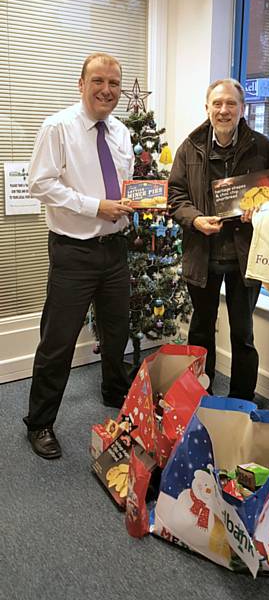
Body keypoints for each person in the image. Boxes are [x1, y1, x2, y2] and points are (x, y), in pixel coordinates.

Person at [24, 52, 135, 459]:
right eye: (98, 81)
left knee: (116, 331)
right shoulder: (57, 127)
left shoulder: (121, 132)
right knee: (58, 341)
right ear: (81, 84)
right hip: (74, 252)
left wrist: (134, 201)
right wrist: (95, 206)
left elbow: (124, 185)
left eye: (115, 84)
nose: (107, 90)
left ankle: (114, 392)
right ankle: (39, 423)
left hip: (115, 250)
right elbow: (40, 184)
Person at [168, 78, 269, 400]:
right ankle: (198, 398)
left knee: (243, 336)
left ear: (242, 109)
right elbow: (175, 196)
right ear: (207, 107)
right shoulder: (189, 146)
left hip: (244, 258)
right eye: (217, 103)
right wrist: (195, 219)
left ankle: (241, 403)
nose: (223, 110)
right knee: (201, 332)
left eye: (231, 103)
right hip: (201, 255)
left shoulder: (263, 148)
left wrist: (259, 209)